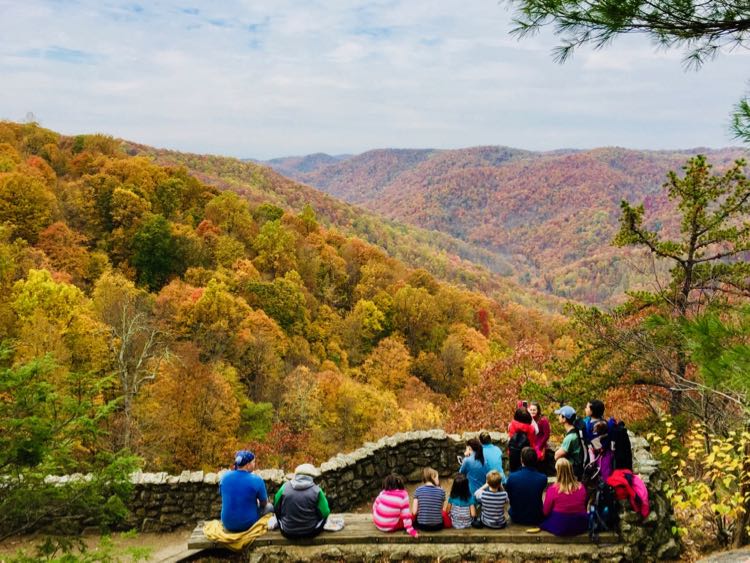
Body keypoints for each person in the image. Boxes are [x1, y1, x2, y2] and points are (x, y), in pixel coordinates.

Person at [219, 450, 273, 532]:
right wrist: (257, 503)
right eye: (253, 462)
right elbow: (264, 503)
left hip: (227, 524)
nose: (254, 464)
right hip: (247, 524)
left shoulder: (224, 477)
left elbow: (223, 495)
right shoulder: (257, 480)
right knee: (270, 507)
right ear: (248, 465)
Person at [274, 463, 331, 539]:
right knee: (325, 517)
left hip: (287, 532)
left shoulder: (284, 487)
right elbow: (325, 512)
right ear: (312, 476)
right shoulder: (317, 491)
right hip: (310, 532)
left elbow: (276, 507)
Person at [540, 458, 589, 536]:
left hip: (560, 525)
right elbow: (584, 505)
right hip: (580, 524)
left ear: (557, 472)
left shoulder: (552, 489)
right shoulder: (581, 487)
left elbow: (545, 511)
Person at [505, 447, 547, 526]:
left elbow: (509, 495)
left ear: (521, 460)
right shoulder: (543, 478)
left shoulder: (512, 477)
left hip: (516, 517)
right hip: (535, 517)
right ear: (535, 460)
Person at [372, 473, 418, 538]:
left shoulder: (382, 492)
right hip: (389, 527)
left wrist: (378, 516)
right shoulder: (403, 495)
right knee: (412, 517)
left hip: (377, 522)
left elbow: (374, 506)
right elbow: (406, 516)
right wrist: (411, 530)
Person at [554, 405, 585, 480]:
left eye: (559, 415)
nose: (558, 417)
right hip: (576, 468)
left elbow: (557, 456)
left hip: (572, 471)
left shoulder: (570, 437)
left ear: (564, 418)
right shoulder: (575, 431)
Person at [412, 467, 445, 531]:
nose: (438, 480)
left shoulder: (418, 490)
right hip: (437, 526)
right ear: (432, 477)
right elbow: (440, 509)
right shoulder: (441, 491)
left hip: (422, 526)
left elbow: (414, 512)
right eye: (437, 478)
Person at [508, 408, 536, 472]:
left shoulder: (511, 426)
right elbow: (532, 444)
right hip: (526, 457)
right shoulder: (531, 429)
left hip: (513, 455)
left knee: (513, 474)